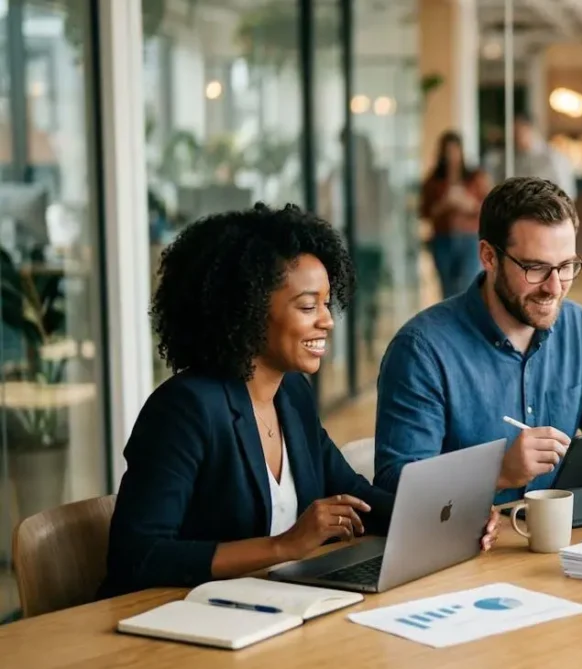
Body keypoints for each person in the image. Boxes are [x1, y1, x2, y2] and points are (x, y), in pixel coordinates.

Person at [100, 204, 501, 599]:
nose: (326, 320)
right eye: (308, 306)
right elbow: (137, 556)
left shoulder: (290, 395)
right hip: (177, 627)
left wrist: (447, 518)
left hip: (268, 613)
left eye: (327, 303)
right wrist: (285, 546)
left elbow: (352, 493)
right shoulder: (184, 410)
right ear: (247, 311)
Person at [374, 176, 582, 505]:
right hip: (471, 548)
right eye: (536, 268)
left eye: (567, 266)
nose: (555, 287)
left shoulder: (578, 326)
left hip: (563, 538)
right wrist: (497, 473)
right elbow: (394, 485)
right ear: (488, 257)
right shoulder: (422, 350)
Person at [421, 131, 492, 300]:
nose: (451, 156)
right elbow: (424, 213)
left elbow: (489, 207)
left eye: (454, 150)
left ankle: (466, 324)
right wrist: (444, 204)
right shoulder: (433, 181)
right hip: (442, 239)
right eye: (447, 151)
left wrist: (468, 204)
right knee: (447, 289)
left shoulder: (475, 177)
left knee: (468, 286)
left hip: (469, 238)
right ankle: (450, 325)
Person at [485, 112, 577, 200]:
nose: (513, 136)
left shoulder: (554, 158)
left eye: (517, 131)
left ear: (530, 129)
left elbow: (567, 195)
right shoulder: (509, 158)